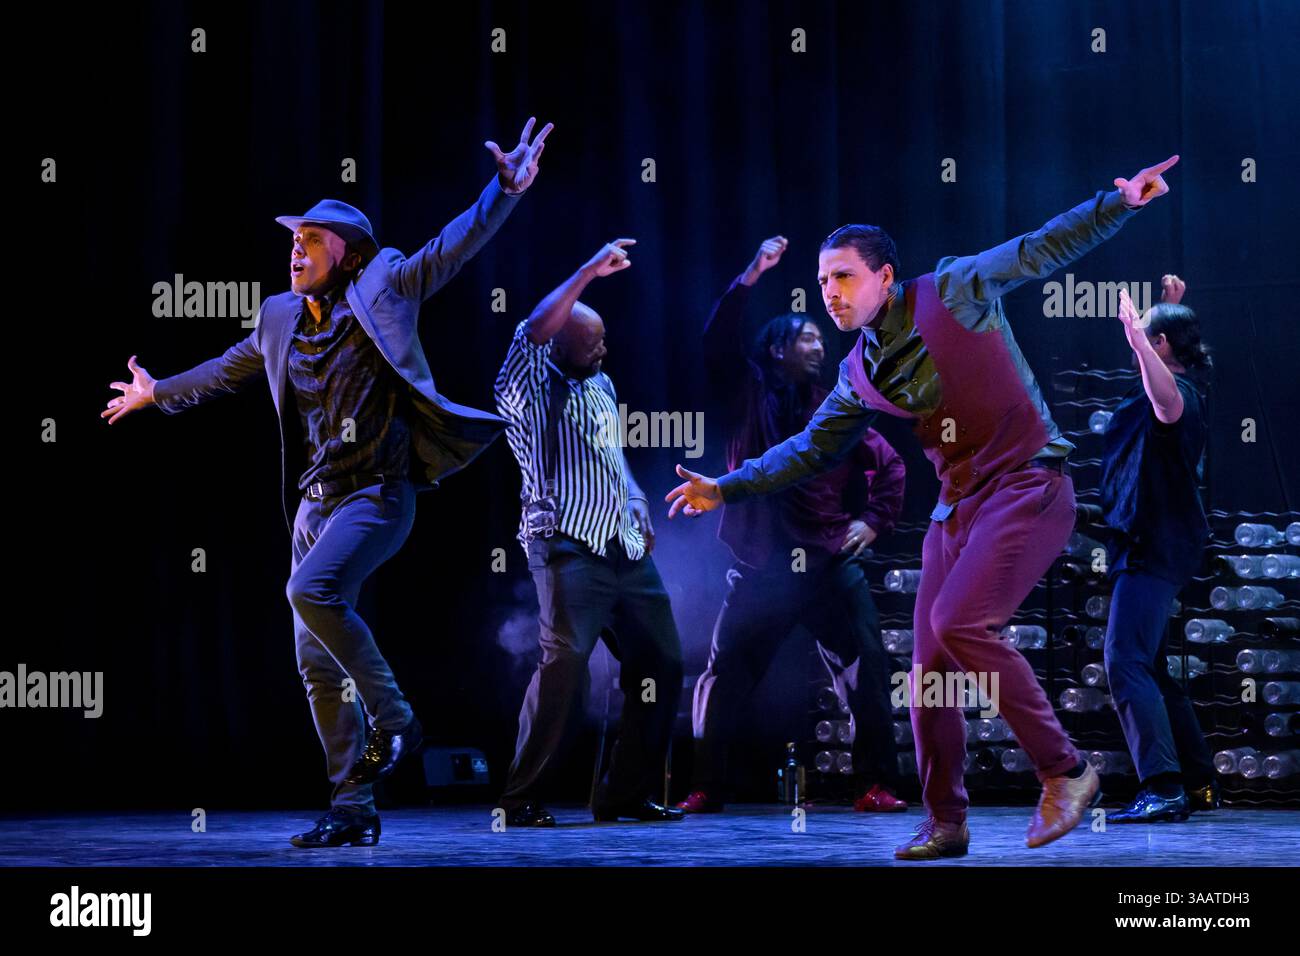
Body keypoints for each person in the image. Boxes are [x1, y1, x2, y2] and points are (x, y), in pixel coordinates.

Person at [666, 156, 1182, 859]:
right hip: (958, 507)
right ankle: (946, 821)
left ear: (884, 275)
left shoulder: (956, 287)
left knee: (959, 621)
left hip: (1028, 483)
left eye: (843, 276)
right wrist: (725, 487)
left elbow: (1038, 248)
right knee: (929, 668)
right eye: (821, 282)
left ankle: (1065, 770)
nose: (830, 293)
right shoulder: (856, 372)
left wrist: (1116, 204)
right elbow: (810, 449)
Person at [102, 117, 553, 848]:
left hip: (379, 493)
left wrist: (503, 191)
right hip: (315, 505)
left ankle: (397, 718)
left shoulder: (387, 285)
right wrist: (159, 394)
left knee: (309, 593)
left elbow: (451, 248)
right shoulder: (280, 317)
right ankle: (353, 804)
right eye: (292, 239)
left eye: (310, 239)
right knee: (313, 659)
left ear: (347, 254)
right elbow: (227, 368)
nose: (295, 249)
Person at [676, 236, 908, 815]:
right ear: (778, 348)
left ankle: (875, 784)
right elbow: (715, 338)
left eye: (821, 340)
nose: (819, 345)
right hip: (760, 567)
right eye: (807, 337)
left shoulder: (837, 404)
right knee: (724, 675)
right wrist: (753, 271)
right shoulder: (746, 391)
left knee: (867, 670)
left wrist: (874, 522)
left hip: (829, 561)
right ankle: (708, 785)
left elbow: (891, 464)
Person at [494, 240, 685, 827]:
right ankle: (519, 795)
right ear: (560, 345)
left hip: (624, 548)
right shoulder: (524, 384)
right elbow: (531, 328)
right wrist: (585, 272)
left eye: (602, 339)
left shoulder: (600, 383)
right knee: (565, 666)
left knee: (663, 661)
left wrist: (633, 494)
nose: (604, 348)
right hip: (567, 546)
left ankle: (624, 793)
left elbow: (612, 453)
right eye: (591, 341)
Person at [1100, 278, 1217, 823]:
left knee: (1124, 661)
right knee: (1153, 667)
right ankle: (1195, 782)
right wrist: (1166, 305)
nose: (1134, 338)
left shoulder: (1181, 394)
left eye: (1147, 334)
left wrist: (1139, 333)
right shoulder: (1165, 375)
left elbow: (1165, 405)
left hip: (1156, 545)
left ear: (1162, 345)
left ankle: (1164, 786)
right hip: (1152, 542)